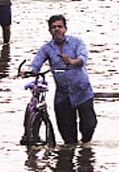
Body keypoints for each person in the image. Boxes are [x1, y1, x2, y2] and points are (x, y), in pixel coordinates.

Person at [25, 15, 96, 145]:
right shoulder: (46, 48)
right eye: (53, 27)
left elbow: (82, 59)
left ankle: (85, 150)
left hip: (82, 91)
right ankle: (70, 155)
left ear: (65, 29)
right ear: (49, 31)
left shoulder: (77, 42)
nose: (57, 30)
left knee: (89, 125)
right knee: (67, 133)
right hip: (63, 94)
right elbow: (36, 64)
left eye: (59, 27)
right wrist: (27, 72)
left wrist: (71, 61)